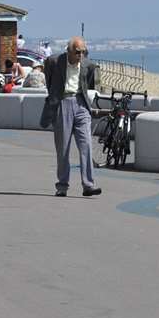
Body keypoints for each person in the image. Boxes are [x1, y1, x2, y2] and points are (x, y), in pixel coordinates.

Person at [41, 37, 102, 198]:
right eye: (77, 52)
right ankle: (62, 186)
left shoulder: (88, 64)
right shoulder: (54, 62)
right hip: (63, 102)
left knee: (86, 144)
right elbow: (49, 80)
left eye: (83, 52)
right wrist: (55, 98)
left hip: (81, 103)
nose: (80, 55)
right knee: (63, 148)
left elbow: (88, 82)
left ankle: (88, 185)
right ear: (68, 51)